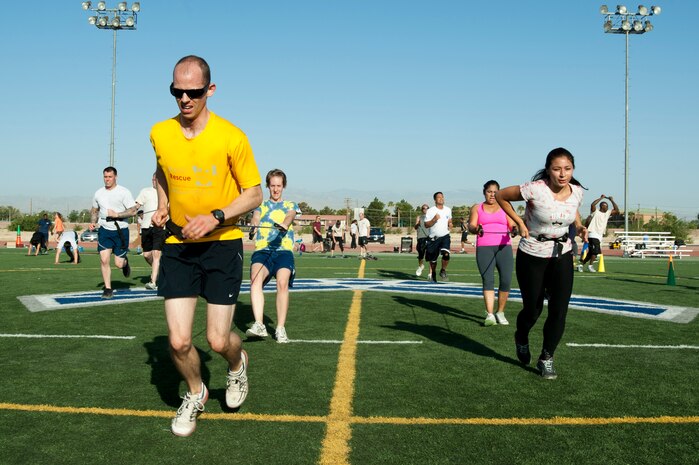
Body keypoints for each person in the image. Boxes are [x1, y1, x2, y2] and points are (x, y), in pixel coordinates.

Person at [150, 55, 263, 437]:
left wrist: (216, 216)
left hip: (222, 243)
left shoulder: (232, 136)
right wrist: (164, 204)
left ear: (209, 90)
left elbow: (254, 194)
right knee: (179, 340)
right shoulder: (159, 133)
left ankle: (237, 364)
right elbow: (161, 173)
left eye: (193, 92)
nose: (184, 98)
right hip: (179, 244)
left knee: (217, 339)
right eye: (177, 91)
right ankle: (196, 394)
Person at [496, 147, 587, 380]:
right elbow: (500, 196)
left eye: (567, 169)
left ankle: (546, 357)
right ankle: (521, 336)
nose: (562, 174)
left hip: (562, 254)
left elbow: (573, 213)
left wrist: (581, 228)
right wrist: (519, 222)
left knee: (559, 310)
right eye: (557, 169)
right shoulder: (535, 189)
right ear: (548, 170)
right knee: (533, 309)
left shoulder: (577, 191)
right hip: (532, 254)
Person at [245, 169, 300, 343]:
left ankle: (280, 328)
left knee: (282, 283)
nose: (276, 189)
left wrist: (284, 224)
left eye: (279, 185)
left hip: (283, 251)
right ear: (268, 186)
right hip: (263, 251)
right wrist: (253, 227)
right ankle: (259, 324)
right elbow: (255, 217)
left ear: (283, 186)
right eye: (272, 186)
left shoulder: (290, 205)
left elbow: (291, 216)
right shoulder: (260, 205)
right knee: (255, 280)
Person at [468, 180, 516, 326]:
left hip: (504, 247)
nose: (492, 195)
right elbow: (472, 225)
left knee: (506, 280)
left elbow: (512, 223)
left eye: (495, 192)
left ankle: (500, 312)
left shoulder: (505, 206)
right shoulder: (477, 208)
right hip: (484, 248)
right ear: (484, 193)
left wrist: (514, 229)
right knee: (488, 280)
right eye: (489, 191)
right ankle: (490, 314)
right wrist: (476, 229)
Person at [89, 167, 137, 299]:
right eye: (105, 177)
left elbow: (133, 211)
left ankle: (125, 263)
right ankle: (108, 288)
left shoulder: (124, 192)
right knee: (104, 260)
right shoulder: (98, 193)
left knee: (118, 263)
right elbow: (94, 209)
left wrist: (117, 214)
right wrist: (93, 221)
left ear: (115, 177)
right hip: (104, 229)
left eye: (110, 177)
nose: (107, 179)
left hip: (121, 230)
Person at [135, 174, 167, 289]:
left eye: (156, 180)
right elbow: (137, 205)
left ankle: (153, 282)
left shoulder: (166, 193)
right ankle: (159, 271)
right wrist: (131, 210)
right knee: (147, 255)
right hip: (146, 227)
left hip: (159, 227)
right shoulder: (145, 191)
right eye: (153, 179)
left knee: (156, 253)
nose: (154, 182)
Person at [579, 194, 619, 272]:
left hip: (599, 235)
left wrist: (612, 200)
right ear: (602, 206)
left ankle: (580, 265)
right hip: (593, 234)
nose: (607, 207)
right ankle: (590, 266)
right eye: (606, 206)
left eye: (607, 206)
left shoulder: (607, 213)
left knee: (591, 253)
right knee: (596, 252)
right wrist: (601, 198)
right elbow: (593, 204)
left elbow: (617, 210)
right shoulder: (595, 212)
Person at [424, 192, 453, 282]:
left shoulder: (448, 209)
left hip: (445, 236)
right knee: (433, 260)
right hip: (433, 238)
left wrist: (450, 224)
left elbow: (449, 220)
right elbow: (426, 225)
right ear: (435, 200)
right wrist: (434, 219)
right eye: (439, 197)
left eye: (442, 197)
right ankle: (433, 273)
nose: (441, 199)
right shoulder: (431, 211)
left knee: (446, 254)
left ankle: (443, 270)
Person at [414, 204, 429, 276]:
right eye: (423, 208)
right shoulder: (419, 217)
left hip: (429, 237)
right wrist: (418, 224)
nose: (425, 210)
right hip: (421, 237)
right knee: (421, 254)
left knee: (430, 256)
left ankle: (431, 273)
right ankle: (421, 266)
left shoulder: (431, 217)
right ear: (422, 209)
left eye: (426, 208)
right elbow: (415, 227)